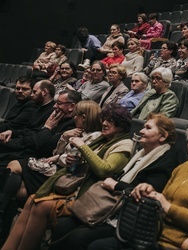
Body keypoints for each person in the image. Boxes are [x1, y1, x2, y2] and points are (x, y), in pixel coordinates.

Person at [2, 105, 134, 250]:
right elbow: (85, 164)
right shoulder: (103, 140)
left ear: (121, 126)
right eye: (104, 119)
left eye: (110, 121)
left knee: (41, 206)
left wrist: (83, 147)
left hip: (88, 194)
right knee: (31, 200)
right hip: (74, 182)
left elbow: (104, 170)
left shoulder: (124, 145)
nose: (104, 123)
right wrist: (75, 161)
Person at [92, 120, 188, 249]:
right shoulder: (183, 167)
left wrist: (168, 207)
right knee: (97, 246)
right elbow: (163, 199)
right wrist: (150, 191)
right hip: (149, 233)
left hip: (174, 243)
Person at [48, 113, 180, 250]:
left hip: (127, 218)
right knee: (64, 224)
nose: (141, 131)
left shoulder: (166, 161)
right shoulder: (141, 154)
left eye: (148, 128)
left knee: (79, 238)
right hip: (113, 206)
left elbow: (147, 194)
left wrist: (116, 184)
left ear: (163, 136)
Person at [0, 100, 103, 229]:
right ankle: (5, 219)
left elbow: (68, 159)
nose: (74, 117)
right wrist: (64, 137)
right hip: (56, 167)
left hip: (64, 175)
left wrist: (59, 156)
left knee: (14, 166)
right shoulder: (78, 131)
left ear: (84, 117)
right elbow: (57, 151)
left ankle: (2, 213)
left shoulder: (94, 137)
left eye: (76, 115)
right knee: (18, 189)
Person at [0, 80, 55, 146]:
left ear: (44, 92)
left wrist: (14, 137)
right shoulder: (38, 107)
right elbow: (27, 129)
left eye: (34, 92)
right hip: (21, 140)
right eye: (17, 88)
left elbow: (35, 134)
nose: (32, 95)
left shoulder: (51, 112)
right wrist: (13, 132)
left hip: (26, 146)